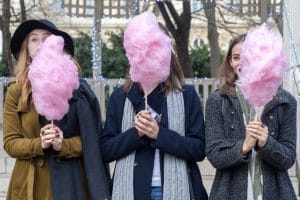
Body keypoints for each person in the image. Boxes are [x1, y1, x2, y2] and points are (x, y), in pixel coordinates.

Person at [100, 12, 207, 200]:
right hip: (131, 191)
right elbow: (106, 150)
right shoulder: (121, 97)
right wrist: (136, 133)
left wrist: (160, 134)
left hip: (177, 190)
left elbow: (199, 149)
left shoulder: (186, 96)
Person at [3, 19, 111, 200]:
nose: (41, 44)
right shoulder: (16, 91)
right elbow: (10, 143)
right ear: (26, 49)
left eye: (46, 38)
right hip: (30, 185)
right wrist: (40, 143)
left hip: (69, 184)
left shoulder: (77, 90)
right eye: (34, 39)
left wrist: (64, 145)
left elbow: (92, 141)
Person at [205, 34, 297, 199]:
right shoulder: (218, 100)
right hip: (228, 192)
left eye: (247, 56)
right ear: (230, 62)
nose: (241, 62)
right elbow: (214, 155)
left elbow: (289, 158)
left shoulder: (285, 101)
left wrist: (266, 143)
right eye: (236, 57)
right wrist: (244, 146)